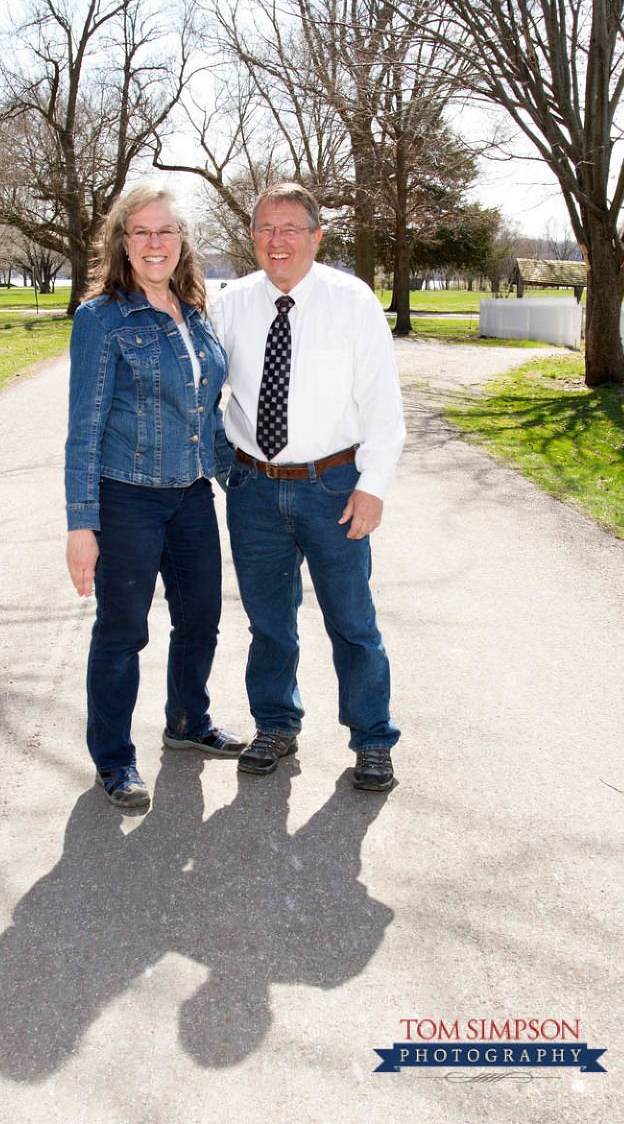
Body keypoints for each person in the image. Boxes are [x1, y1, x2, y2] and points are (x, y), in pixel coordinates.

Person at [211, 182, 405, 792]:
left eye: (292, 228)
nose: (278, 240)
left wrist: (372, 486)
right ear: (253, 236)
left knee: (352, 620)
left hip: (334, 486)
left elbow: (382, 404)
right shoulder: (231, 303)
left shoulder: (353, 301)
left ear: (317, 237)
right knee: (269, 621)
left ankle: (372, 739)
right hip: (255, 490)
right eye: (267, 228)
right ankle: (276, 722)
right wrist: (226, 466)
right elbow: (204, 392)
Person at [65, 182, 244, 809]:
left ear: (181, 241)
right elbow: (83, 429)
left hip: (193, 495)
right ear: (123, 242)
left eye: (165, 230)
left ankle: (187, 722)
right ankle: (114, 758)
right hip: (127, 500)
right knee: (122, 631)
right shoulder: (101, 319)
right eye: (140, 231)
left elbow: (206, 414)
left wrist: (244, 480)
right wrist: (81, 523)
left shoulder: (196, 314)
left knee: (202, 620)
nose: (154, 242)